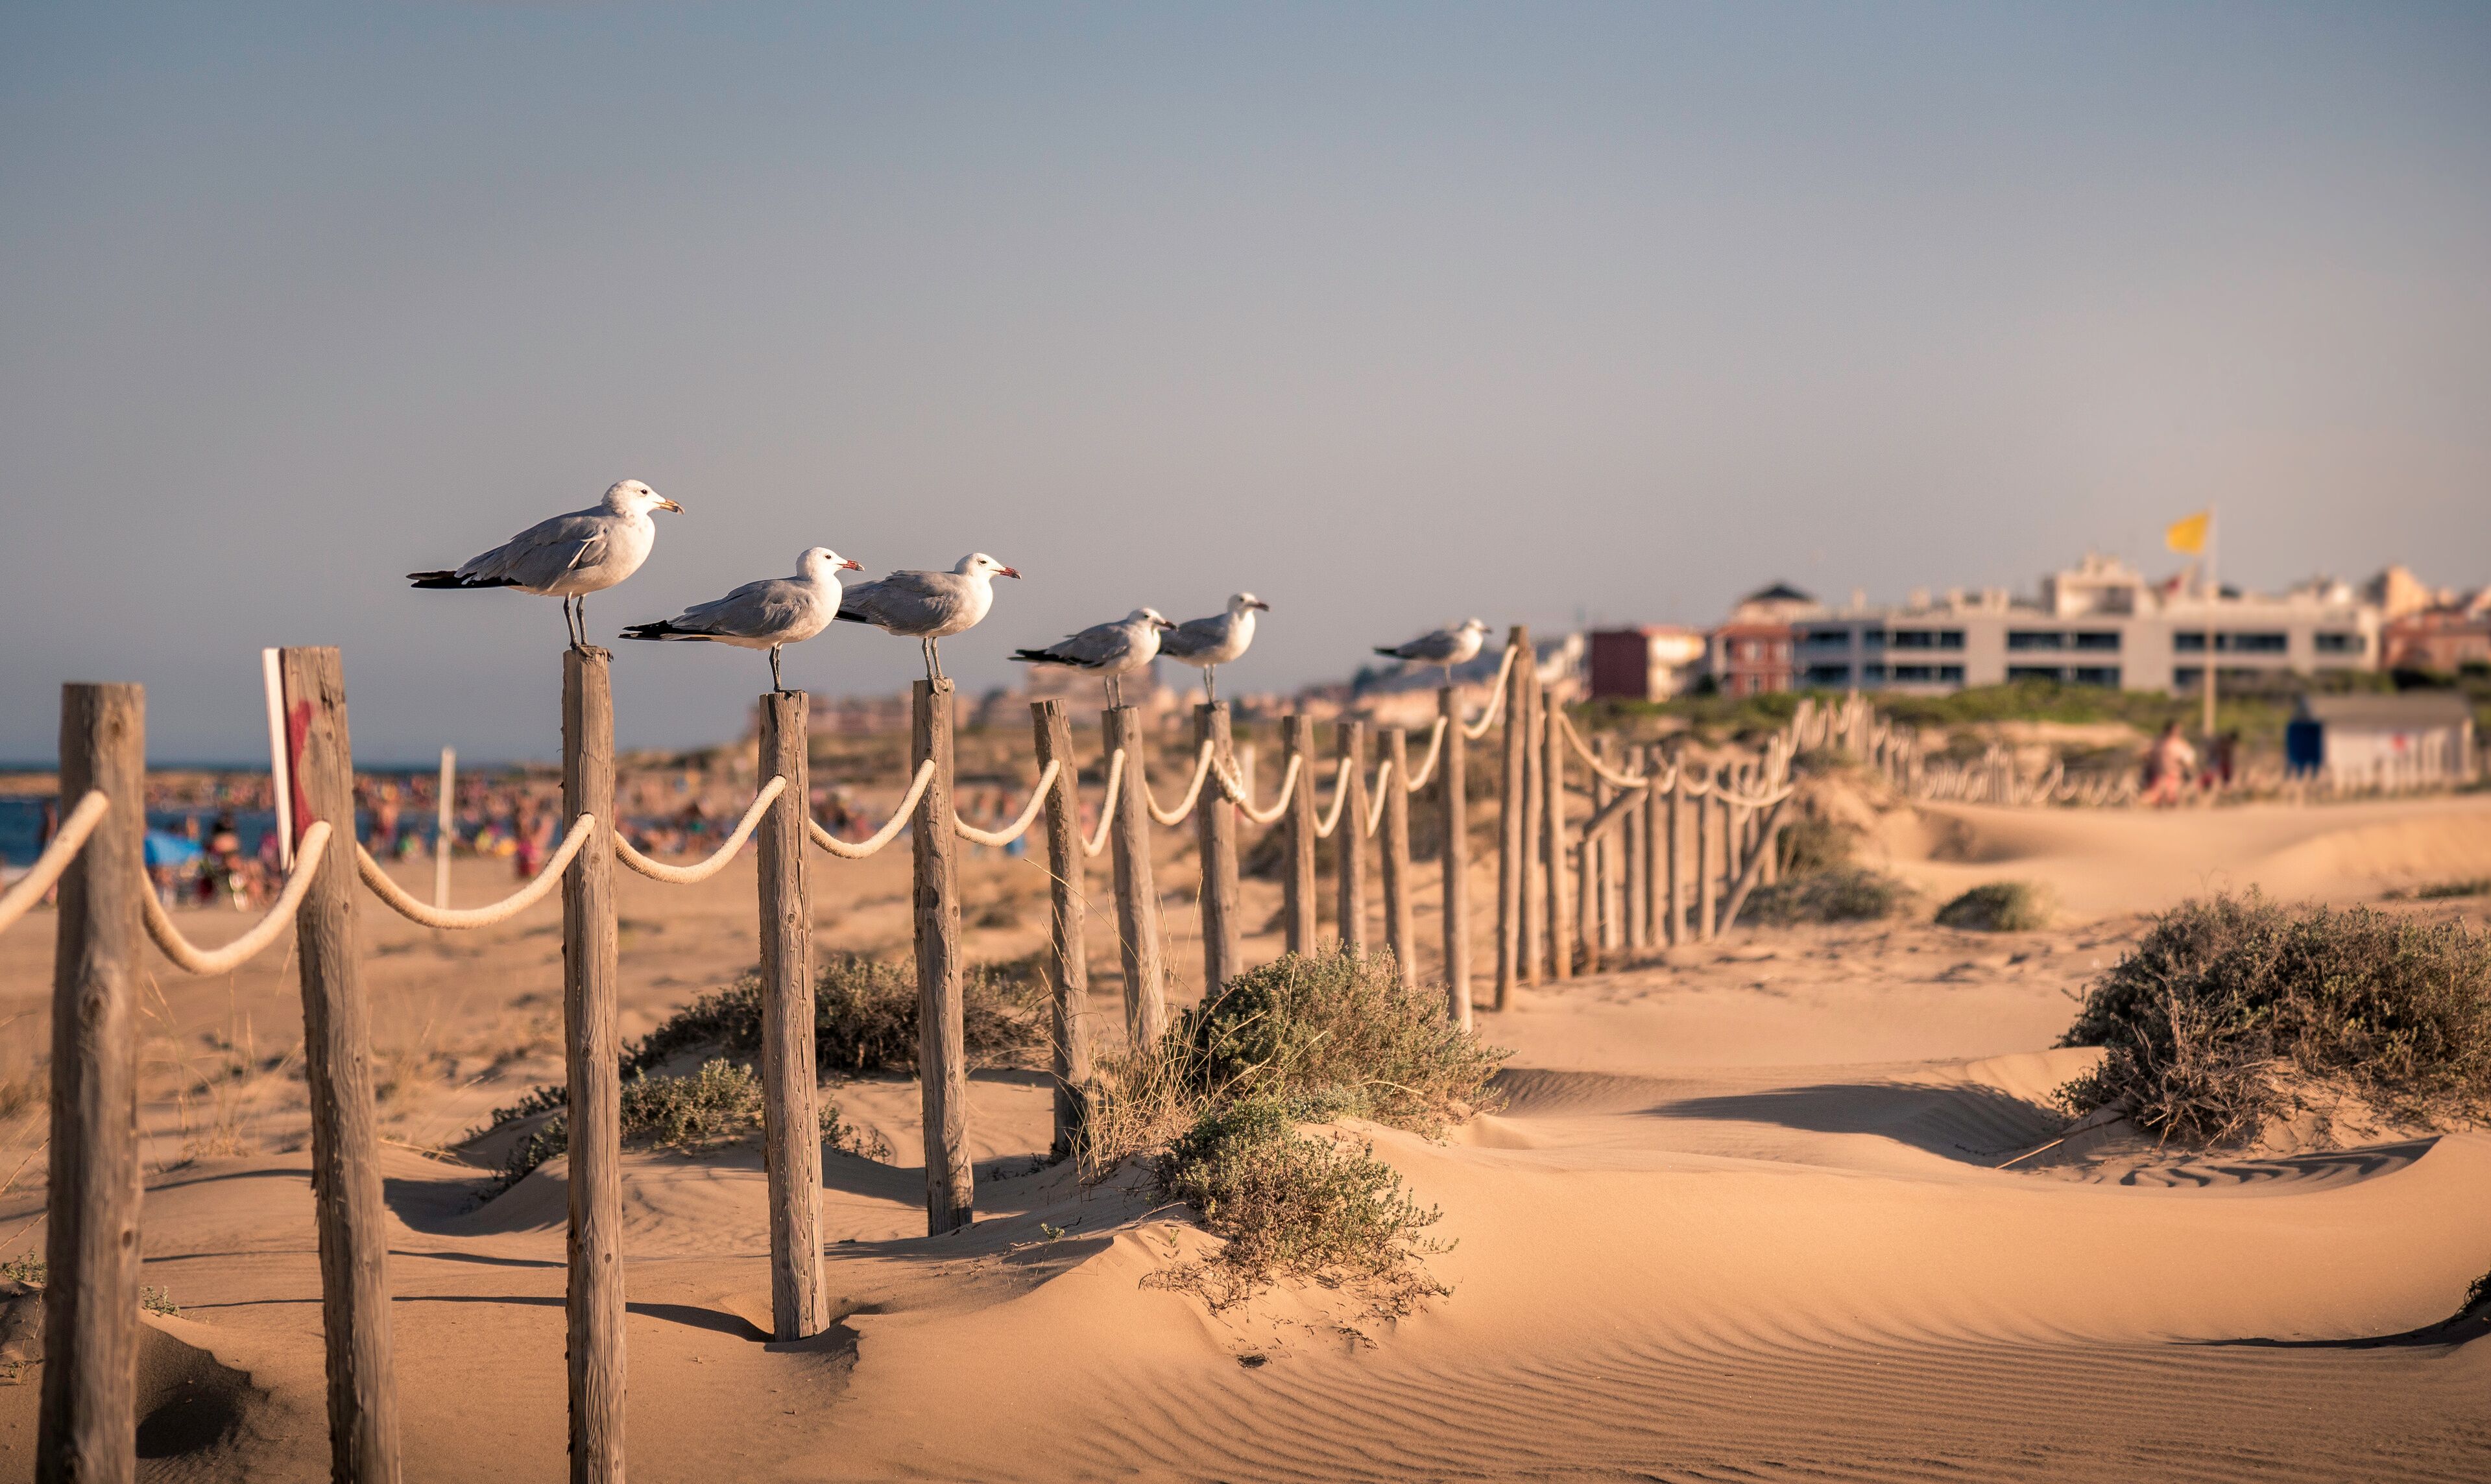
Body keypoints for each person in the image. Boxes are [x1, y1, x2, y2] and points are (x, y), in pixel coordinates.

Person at [2142, 720, 2197, 808]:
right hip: (2169, 778)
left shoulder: (2157, 743)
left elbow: (2144, 755)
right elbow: (2189, 762)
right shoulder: (2177, 745)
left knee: (2156, 794)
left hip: (2163, 778)